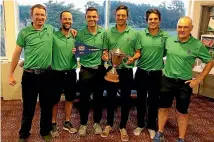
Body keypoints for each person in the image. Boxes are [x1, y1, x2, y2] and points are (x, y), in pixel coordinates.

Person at [153, 16, 213, 142]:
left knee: (182, 112)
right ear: (177, 28)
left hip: (184, 84)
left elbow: (209, 61)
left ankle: (181, 138)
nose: (182, 29)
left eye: (185, 27)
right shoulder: (169, 41)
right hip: (167, 80)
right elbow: (160, 54)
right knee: (163, 108)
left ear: (191, 28)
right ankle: (160, 132)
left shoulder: (197, 45)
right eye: (180, 27)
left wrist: (199, 79)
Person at [8, 4, 54, 142]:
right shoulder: (24, 32)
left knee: (46, 106)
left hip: (47, 75)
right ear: (31, 16)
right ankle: (24, 133)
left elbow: (63, 36)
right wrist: (10, 74)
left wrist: (73, 31)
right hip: (29, 77)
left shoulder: (51, 29)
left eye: (42, 15)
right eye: (37, 14)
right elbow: (17, 53)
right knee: (28, 108)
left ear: (45, 17)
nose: (40, 17)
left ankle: (45, 131)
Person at [101, 5, 141, 142]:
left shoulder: (134, 33)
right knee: (111, 99)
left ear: (127, 16)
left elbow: (138, 52)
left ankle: (123, 126)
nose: (120, 17)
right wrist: (105, 56)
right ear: (115, 15)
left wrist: (133, 58)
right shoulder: (108, 32)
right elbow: (105, 50)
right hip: (111, 70)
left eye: (123, 15)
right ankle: (109, 124)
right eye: (118, 15)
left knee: (125, 100)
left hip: (126, 72)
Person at [133, 8, 169, 139]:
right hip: (141, 72)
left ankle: (151, 126)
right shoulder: (140, 35)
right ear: (147, 20)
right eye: (150, 19)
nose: (152, 21)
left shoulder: (165, 36)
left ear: (159, 20)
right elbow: (138, 51)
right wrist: (133, 58)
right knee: (140, 100)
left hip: (156, 74)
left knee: (153, 101)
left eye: (155, 19)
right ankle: (140, 124)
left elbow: (165, 52)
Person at [75, 7, 106, 136]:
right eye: (89, 17)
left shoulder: (104, 33)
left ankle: (97, 123)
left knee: (98, 98)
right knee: (84, 99)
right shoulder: (80, 34)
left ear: (98, 18)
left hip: (100, 70)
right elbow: (77, 51)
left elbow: (106, 50)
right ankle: (83, 124)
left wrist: (105, 55)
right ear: (85, 18)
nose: (92, 19)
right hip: (85, 70)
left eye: (94, 16)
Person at [50, 10, 77, 138]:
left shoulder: (75, 36)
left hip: (71, 72)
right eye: (65, 19)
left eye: (69, 19)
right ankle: (53, 123)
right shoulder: (53, 36)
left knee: (70, 98)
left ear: (72, 20)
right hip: (56, 73)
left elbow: (83, 50)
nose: (67, 21)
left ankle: (67, 122)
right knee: (54, 100)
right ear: (60, 20)